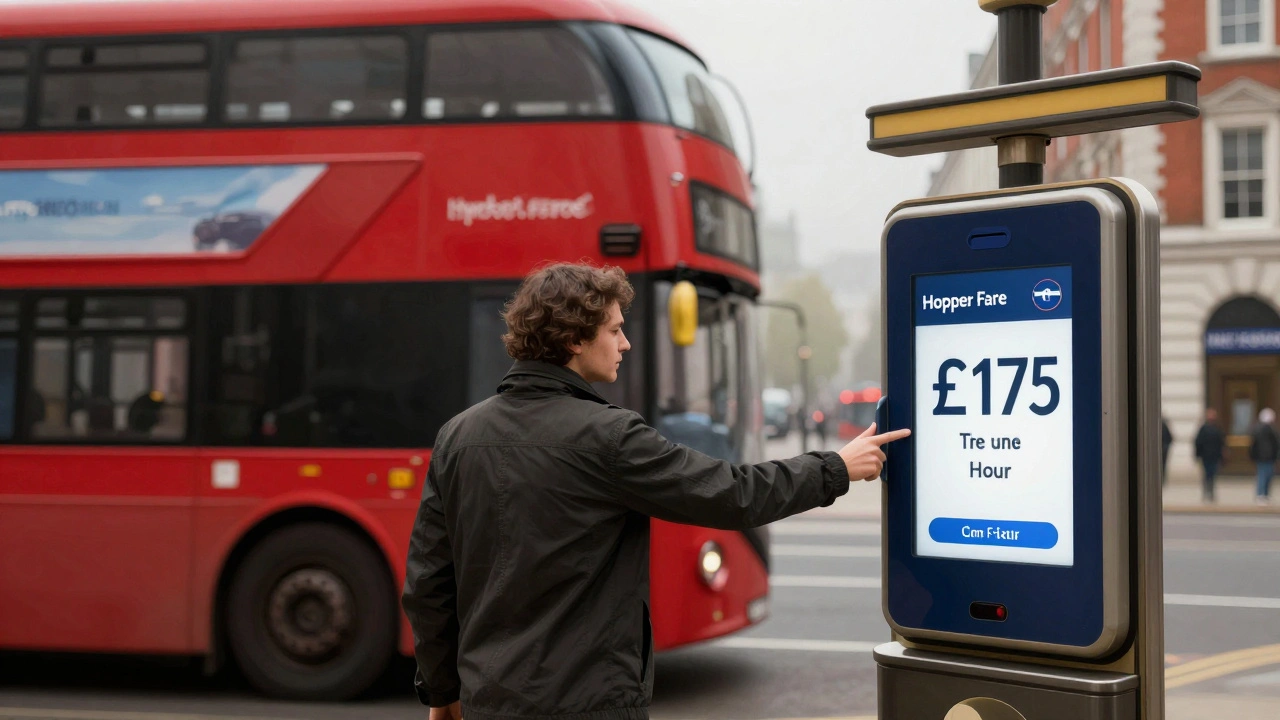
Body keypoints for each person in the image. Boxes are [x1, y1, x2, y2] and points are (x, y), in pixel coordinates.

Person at [401, 263, 909, 720]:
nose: (624, 344)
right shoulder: (608, 437)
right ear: (575, 339)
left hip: (489, 701)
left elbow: (429, 582)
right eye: (616, 330)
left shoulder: (458, 436)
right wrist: (836, 467)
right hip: (587, 702)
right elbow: (734, 495)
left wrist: (442, 692)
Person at [1193, 408, 1226, 503]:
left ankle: (1211, 492)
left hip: (1214, 456)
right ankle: (1207, 492)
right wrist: (1197, 454)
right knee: (1207, 474)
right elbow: (1198, 442)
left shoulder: (1217, 428)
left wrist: (1222, 454)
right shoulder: (1204, 428)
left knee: (1212, 475)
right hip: (1206, 456)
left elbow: (1221, 442)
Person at [1249, 408, 1278, 505]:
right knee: (1263, 475)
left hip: (1266, 457)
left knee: (1266, 476)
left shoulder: (1261, 429)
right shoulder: (1267, 430)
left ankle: (1264, 494)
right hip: (1264, 457)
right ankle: (1261, 494)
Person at [1161, 416, 1173, 485]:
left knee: (1163, 465)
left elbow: (1170, 438)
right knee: (1163, 465)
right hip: (1164, 449)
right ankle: (1163, 479)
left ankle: (1162, 479)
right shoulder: (1164, 425)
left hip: (1163, 449)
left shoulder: (1163, 426)